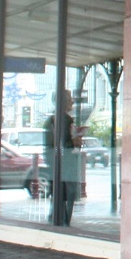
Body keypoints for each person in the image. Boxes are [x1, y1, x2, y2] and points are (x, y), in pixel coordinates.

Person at [43, 89, 83, 225]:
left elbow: (49, 146)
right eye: (70, 99)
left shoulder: (50, 121)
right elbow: (64, 144)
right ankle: (63, 221)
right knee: (68, 194)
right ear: (65, 102)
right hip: (66, 163)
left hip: (55, 163)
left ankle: (55, 219)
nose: (72, 101)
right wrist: (75, 142)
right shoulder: (65, 120)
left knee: (58, 193)